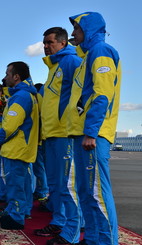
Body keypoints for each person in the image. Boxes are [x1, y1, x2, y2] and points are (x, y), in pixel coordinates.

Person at [66, 12, 121, 245]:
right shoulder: (89, 54)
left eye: (77, 29)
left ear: (88, 30)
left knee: (97, 193)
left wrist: (91, 131)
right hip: (83, 133)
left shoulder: (101, 51)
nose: (72, 34)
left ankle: (107, 241)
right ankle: (92, 239)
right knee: (86, 192)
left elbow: (102, 95)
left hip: (93, 134)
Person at [34, 27, 83, 245]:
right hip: (51, 134)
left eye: (49, 42)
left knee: (67, 185)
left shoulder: (71, 62)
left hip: (65, 133)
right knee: (54, 183)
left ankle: (71, 231)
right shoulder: (53, 67)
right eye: (44, 42)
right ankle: (59, 220)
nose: (45, 46)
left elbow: (84, 93)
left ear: (62, 43)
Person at [0, 61, 39, 230]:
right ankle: (17, 211)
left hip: (17, 148)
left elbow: (10, 126)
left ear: (16, 76)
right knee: (21, 184)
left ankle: (16, 217)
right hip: (20, 147)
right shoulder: (24, 94)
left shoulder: (21, 96)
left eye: (7, 74)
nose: (5, 78)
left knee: (16, 185)